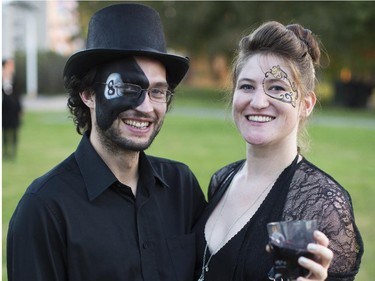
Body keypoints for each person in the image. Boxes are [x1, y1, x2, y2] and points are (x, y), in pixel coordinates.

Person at [7, 4, 206, 281]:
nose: (146, 107)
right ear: (88, 94)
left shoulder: (182, 188)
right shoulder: (44, 209)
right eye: (127, 88)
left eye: (158, 91)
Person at [193, 21, 363, 281]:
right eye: (247, 86)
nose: (258, 102)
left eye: (277, 88)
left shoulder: (323, 203)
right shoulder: (222, 180)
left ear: (306, 104)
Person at [2, 58, 22, 160]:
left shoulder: (15, 78)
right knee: (4, 132)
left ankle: (13, 152)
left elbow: (18, 94)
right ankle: (5, 152)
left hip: (13, 109)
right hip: (4, 110)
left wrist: (20, 109)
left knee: (14, 131)